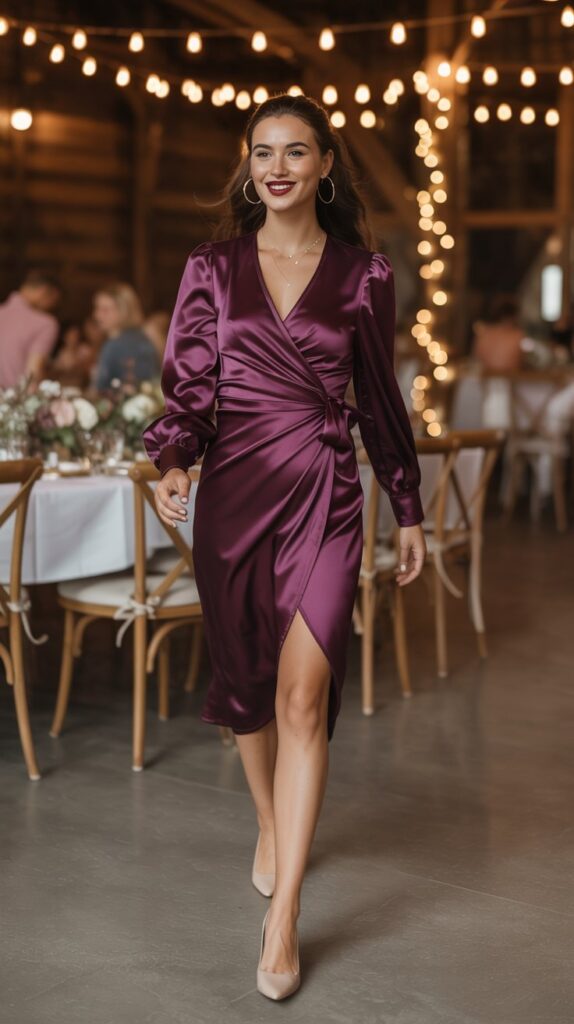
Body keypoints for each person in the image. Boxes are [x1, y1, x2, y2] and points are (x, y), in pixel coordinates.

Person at [142, 93, 426, 1002]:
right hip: (233, 496)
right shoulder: (211, 268)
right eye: (263, 151)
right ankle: (268, 819)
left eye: (295, 151)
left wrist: (407, 503)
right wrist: (172, 458)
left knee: (305, 699)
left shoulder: (364, 277)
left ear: (323, 166)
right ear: (248, 164)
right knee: (247, 693)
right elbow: (188, 388)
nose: (277, 167)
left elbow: (380, 398)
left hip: (328, 494)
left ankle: (286, 913)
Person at [0, 269, 60, 388]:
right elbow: (32, 374)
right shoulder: (45, 324)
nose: (51, 307)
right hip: (11, 401)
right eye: (53, 301)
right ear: (43, 292)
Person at [93, 282, 159, 389]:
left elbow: (100, 388)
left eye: (105, 310)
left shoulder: (114, 346)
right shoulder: (144, 339)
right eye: (97, 308)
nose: (97, 315)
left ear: (124, 311)